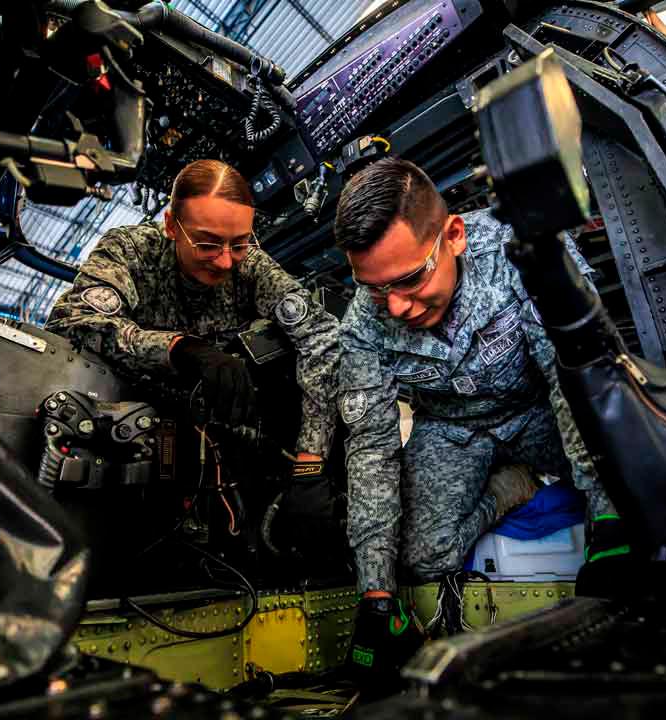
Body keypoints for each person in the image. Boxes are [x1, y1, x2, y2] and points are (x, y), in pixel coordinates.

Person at [335, 157, 614, 676]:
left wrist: (608, 517)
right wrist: (375, 596)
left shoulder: (523, 251)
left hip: (541, 411)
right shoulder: (360, 327)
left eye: (410, 279)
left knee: (632, 485)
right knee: (422, 557)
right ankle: (513, 487)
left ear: (454, 235)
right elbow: (371, 450)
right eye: (375, 289)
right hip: (452, 428)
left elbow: (573, 380)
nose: (395, 308)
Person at [46, 159, 340, 482]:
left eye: (239, 244)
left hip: (222, 437)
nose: (226, 260)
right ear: (172, 225)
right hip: (133, 432)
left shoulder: (251, 266)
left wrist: (309, 466)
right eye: (208, 244)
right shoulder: (131, 251)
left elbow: (323, 338)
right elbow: (73, 321)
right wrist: (179, 348)